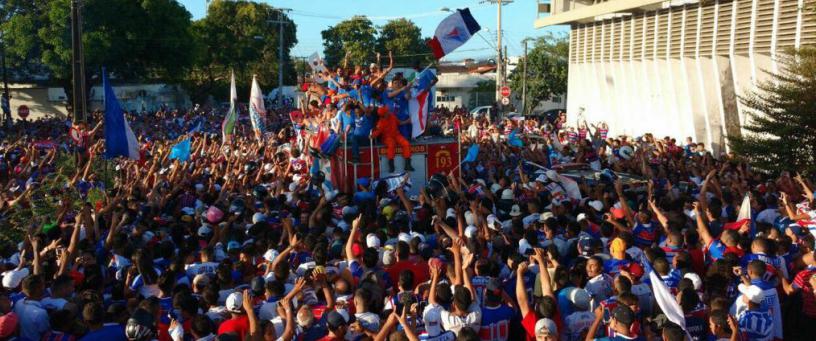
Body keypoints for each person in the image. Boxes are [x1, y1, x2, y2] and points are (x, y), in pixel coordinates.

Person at [371, 106, 413, 173]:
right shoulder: (380, 123)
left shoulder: (392, 116)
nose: (388, 111)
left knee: (406, 143)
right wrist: (372, 136)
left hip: (397, 135)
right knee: (391, 145)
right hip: (387, 138)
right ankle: (391, 165)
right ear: (384, 114)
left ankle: (407, 164)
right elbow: (377, 132)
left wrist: (407, 121)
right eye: (387, 111)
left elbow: (399, 123)